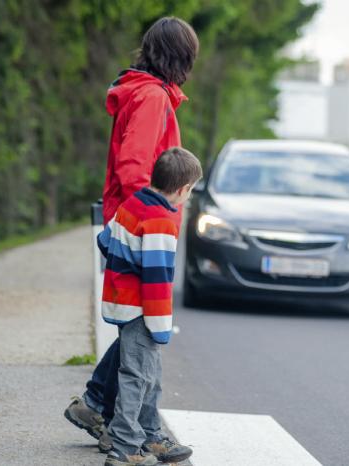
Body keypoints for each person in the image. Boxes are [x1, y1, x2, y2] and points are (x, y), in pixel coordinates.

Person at [63, 16, 198, 460]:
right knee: (143, 332)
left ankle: (96, 406)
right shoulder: (152, 97)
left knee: (135, 330)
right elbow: (134, 168)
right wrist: (154, 215)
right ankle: (141, 434)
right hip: (141, 228)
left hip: (130, 222)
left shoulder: (142, 92)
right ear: (180, 57)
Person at [100, 147, 202, 466]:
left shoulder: (134, 203)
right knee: (136, 375)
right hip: (141, 310)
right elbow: (157, 281)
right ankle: (125, 445)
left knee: (149, 373)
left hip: (121, 300)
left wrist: (125, 259)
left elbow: (105, 239)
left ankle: (149, 434)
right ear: (183, 189)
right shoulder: (160, 221)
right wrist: (160, 327)